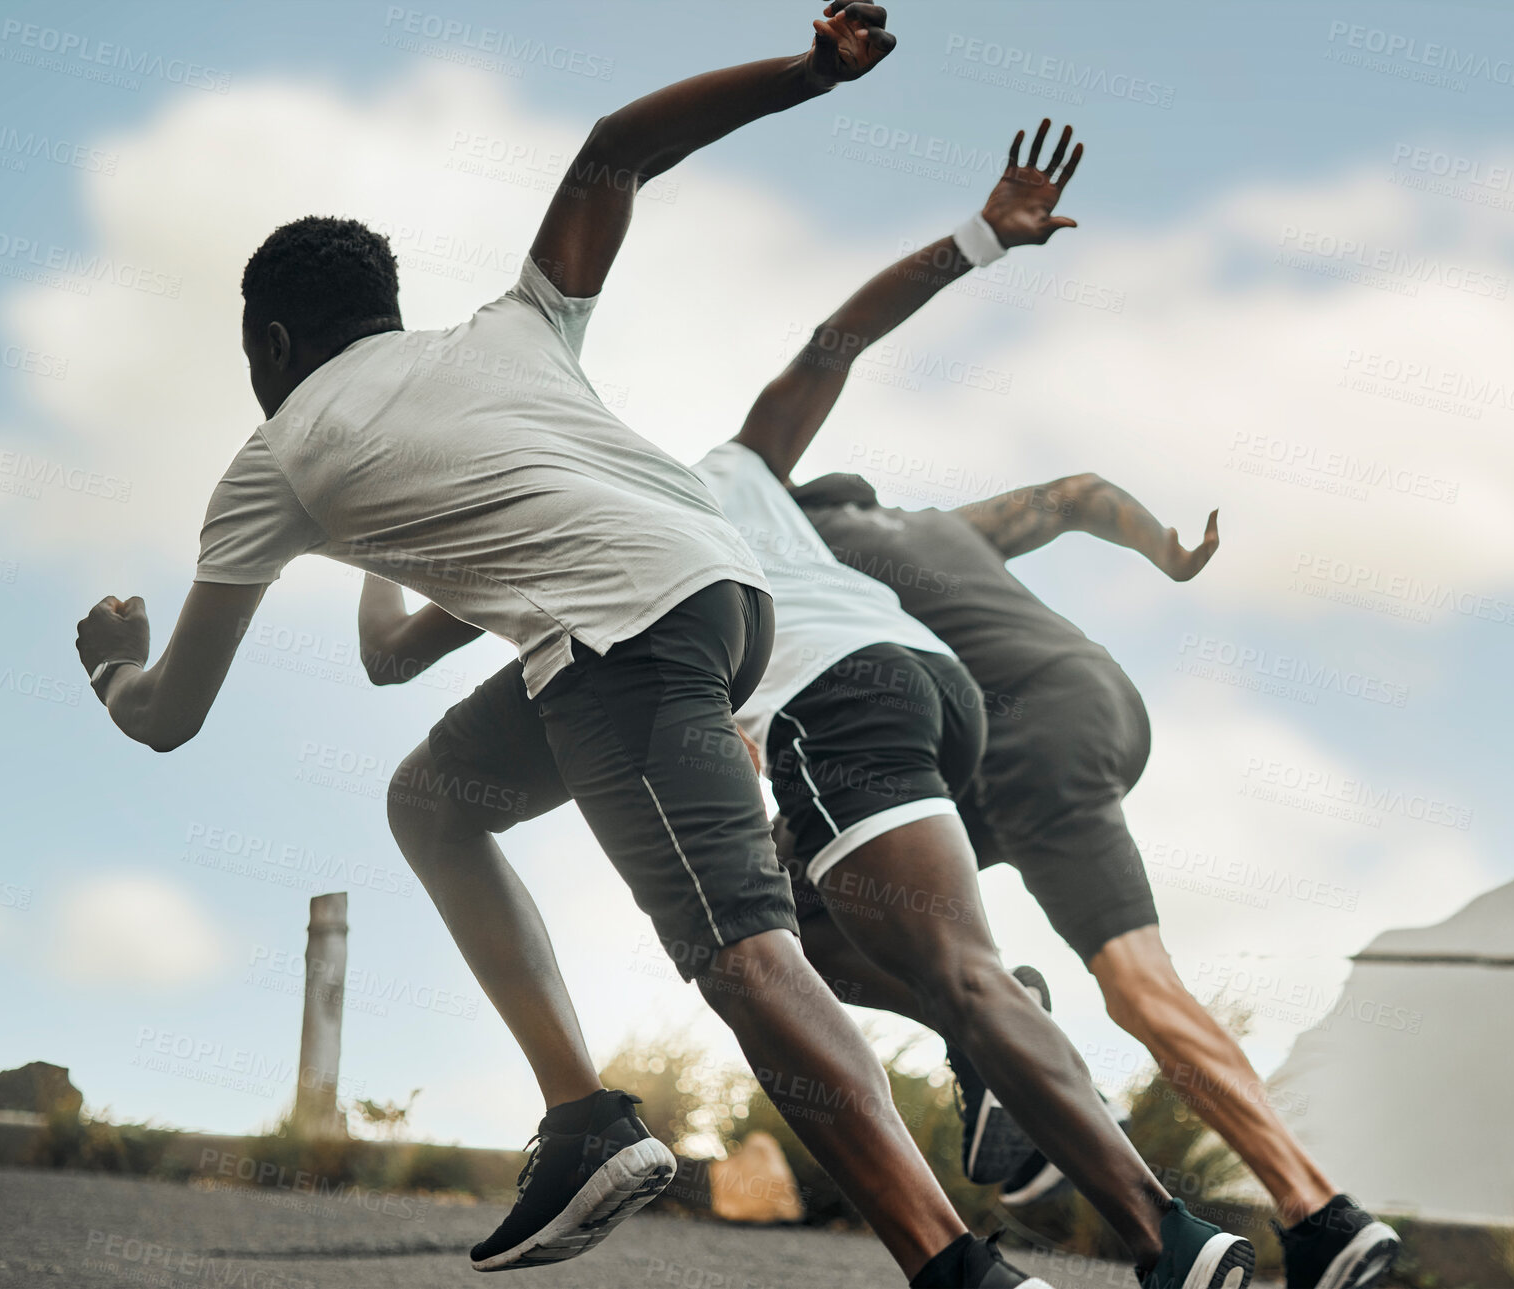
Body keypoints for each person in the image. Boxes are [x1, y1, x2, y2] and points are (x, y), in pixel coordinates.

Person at [72, 8, 1071, 1287]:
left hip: (622, 640)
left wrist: (116, 653)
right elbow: (615, 152)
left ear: (268, 348)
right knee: (432, 802)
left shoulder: (271, 459)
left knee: (743, 956)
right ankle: (582, 1118)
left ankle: (959, 1268)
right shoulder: (503, 333)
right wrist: (811, 73)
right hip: (714, 599)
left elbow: (168, 715)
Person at [360, 121, 1260, 1289]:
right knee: (806, 942)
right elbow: (835, 342)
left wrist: (378, 532)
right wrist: (980, 236)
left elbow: (394, 652)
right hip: (927, 684)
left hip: (828, 699)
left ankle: (1165, 1236)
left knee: (926, 968)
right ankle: (1005, 1053)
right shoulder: (740, 471)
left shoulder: (613, 519)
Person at [729, 126, 1400, 1289]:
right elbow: (1077, 494)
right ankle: (997, 1051)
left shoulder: (804, 551)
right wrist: (1168, 557)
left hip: (1019, 731)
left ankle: (1316, 1210)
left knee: (1114, 976)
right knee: (867, 900)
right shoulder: (932, 524)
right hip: (1087, 704)